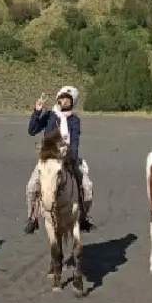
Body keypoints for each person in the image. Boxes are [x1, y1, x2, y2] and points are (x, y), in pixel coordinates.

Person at [24, 86, 94, 234]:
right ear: (58, 99)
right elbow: (32, 131)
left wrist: (71, 158)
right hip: (48, 158)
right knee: (31, 187)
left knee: (87, 187)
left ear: (72, 102)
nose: (65, 101)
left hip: (68, 158)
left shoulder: (75, 120)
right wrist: (37, 112)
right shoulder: (49, 115)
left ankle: (83, 218)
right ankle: (32, 218)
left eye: (68, 99)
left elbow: (74, 141)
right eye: (62, 98)